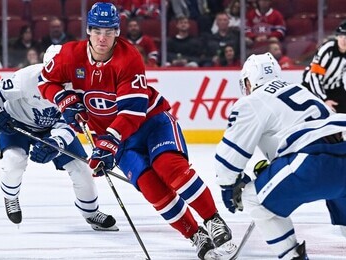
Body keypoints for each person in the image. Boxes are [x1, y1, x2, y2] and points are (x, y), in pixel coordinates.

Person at [37, 3, 236, 259]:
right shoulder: (68, 56)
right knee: (151, 186)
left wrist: (107, 144)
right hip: (114, 139)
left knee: (168, 167)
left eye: (108, 31)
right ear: (87, 30)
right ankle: (195, 234)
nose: (102, 37)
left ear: (117, 32)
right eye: (97, 30)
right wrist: (64, 100)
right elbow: (45, 80)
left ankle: (213, 220)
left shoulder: (128, 57)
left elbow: (133, 110)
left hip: (151, 124)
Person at [215, 52, 346, 260]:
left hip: (315, 162)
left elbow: (228, 157)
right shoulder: (300, 90)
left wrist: (228, 186)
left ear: (249, 80)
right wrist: (275, 167)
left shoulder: (253, 101)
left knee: (254, 198)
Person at [0, 45, 118, 231]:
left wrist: (57, 142)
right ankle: (11, 197)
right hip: (17, 123)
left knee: (81, 169)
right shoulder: (27, 77)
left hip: (53, 129)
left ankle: (91, 212)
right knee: (14, 161)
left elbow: (72, 123)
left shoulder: (78, 88)